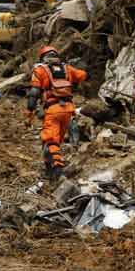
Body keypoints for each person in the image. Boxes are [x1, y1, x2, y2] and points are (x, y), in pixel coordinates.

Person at [27, 46, 88, 180]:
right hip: (68, 110)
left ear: (42, 57)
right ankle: (49, 167)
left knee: (50, 140)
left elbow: (34, 92)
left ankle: (57, 170)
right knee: (56, 141)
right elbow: (82, 75)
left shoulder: (40, 69)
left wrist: (30, 111)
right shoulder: (67, 68)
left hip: (53, 109)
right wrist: (80, 65)